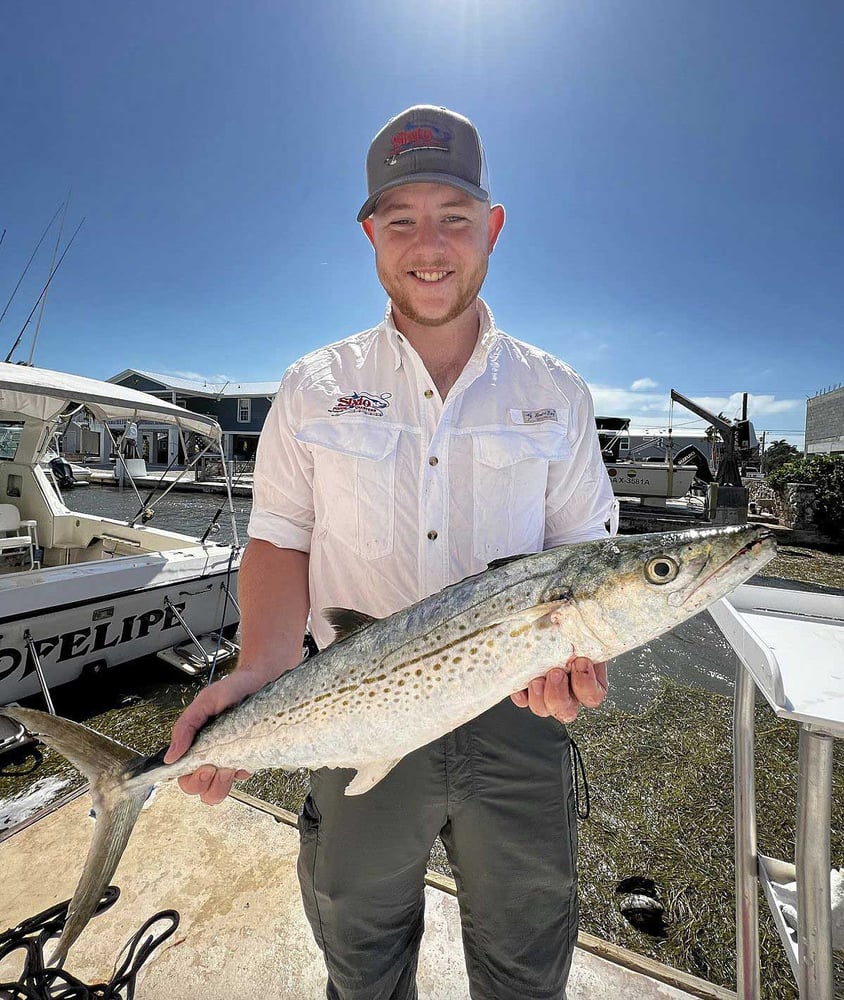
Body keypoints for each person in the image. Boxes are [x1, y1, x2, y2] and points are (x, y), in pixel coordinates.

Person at [165, 105, 617, 1000]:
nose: (430, 245)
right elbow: (280, 540)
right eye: (401, 219)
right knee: (361, 952)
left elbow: (585, 563)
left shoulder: (555, 391)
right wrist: (263, 666)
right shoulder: (315, 385)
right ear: (370, 232)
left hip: (517, 715)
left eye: (454, 216)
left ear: (491, 227)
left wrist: (580, 662)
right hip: (352, 701)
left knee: (526, 958)